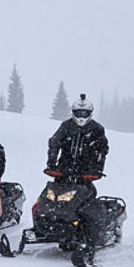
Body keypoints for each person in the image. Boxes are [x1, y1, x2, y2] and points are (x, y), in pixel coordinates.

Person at [46, 93, 110, 253]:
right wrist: (51, 163)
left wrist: (97, 170)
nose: (81, 116)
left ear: (89, 113)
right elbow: (54, 142)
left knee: (86, 203)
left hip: (85, 173)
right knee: (50, 198)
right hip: (64, 170)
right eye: (78, 113)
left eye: (84, 113)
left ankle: (92, 234)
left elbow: (102, 150)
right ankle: (45, 225)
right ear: (73, 112)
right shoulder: (66, 126)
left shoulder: (96, 129)